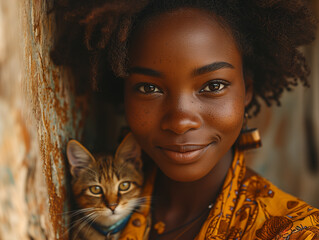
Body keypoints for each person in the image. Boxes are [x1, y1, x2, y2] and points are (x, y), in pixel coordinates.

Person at [52, 0, 319, 239]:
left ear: (246, 91)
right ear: (123, 96)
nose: (180, 121)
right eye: (149, 88)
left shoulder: (293, 231)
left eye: (213, 85)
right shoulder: (91, 216)